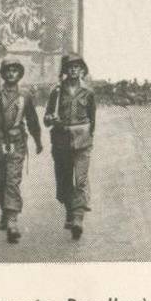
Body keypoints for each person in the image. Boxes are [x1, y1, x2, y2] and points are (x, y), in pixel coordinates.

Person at [0, 57, 43, 243]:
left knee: (12, 180)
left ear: (19, 74)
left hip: (16, 142)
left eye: (15, 70)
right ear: (3, 74)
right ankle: (5, 211)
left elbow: (32, 120)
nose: (11, 73)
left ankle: (13, 221)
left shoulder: (25, 96)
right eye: (7, 70)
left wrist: (38, 140)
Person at [44, 52, 96, 240]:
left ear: (82, 70)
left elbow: (92, 119)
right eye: (70, 67)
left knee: (81, 180)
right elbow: (47, 118)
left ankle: (78, 218)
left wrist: (89, 138)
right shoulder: (56, 92)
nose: (74, 70)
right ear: (65, 70)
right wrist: (51, 119)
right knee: (65, 180)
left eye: (78, 67)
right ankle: (69, 209)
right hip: (61, 141)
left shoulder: (88, 92)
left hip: (82, 142)